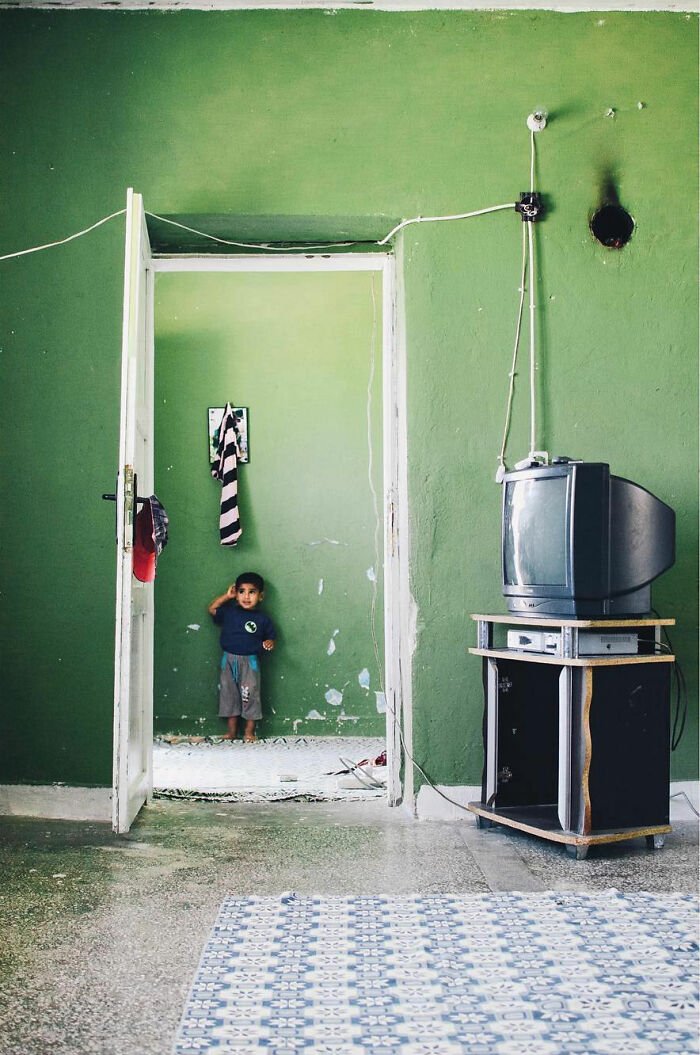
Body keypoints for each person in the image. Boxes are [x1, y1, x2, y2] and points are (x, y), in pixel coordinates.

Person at [207, 572, 276, 743]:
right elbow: (212, 609)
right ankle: (232, 732)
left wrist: (269, 642)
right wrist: (226, 596)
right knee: (229, 694)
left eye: (252, 592)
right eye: (241, 591)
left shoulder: (262, 618)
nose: (246, 596)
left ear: (261, 596)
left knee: (250, 694)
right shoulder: (229, 612)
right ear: (235, 593)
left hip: (250, 662)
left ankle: (249, 732)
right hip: (228, 660)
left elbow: (270, 638)